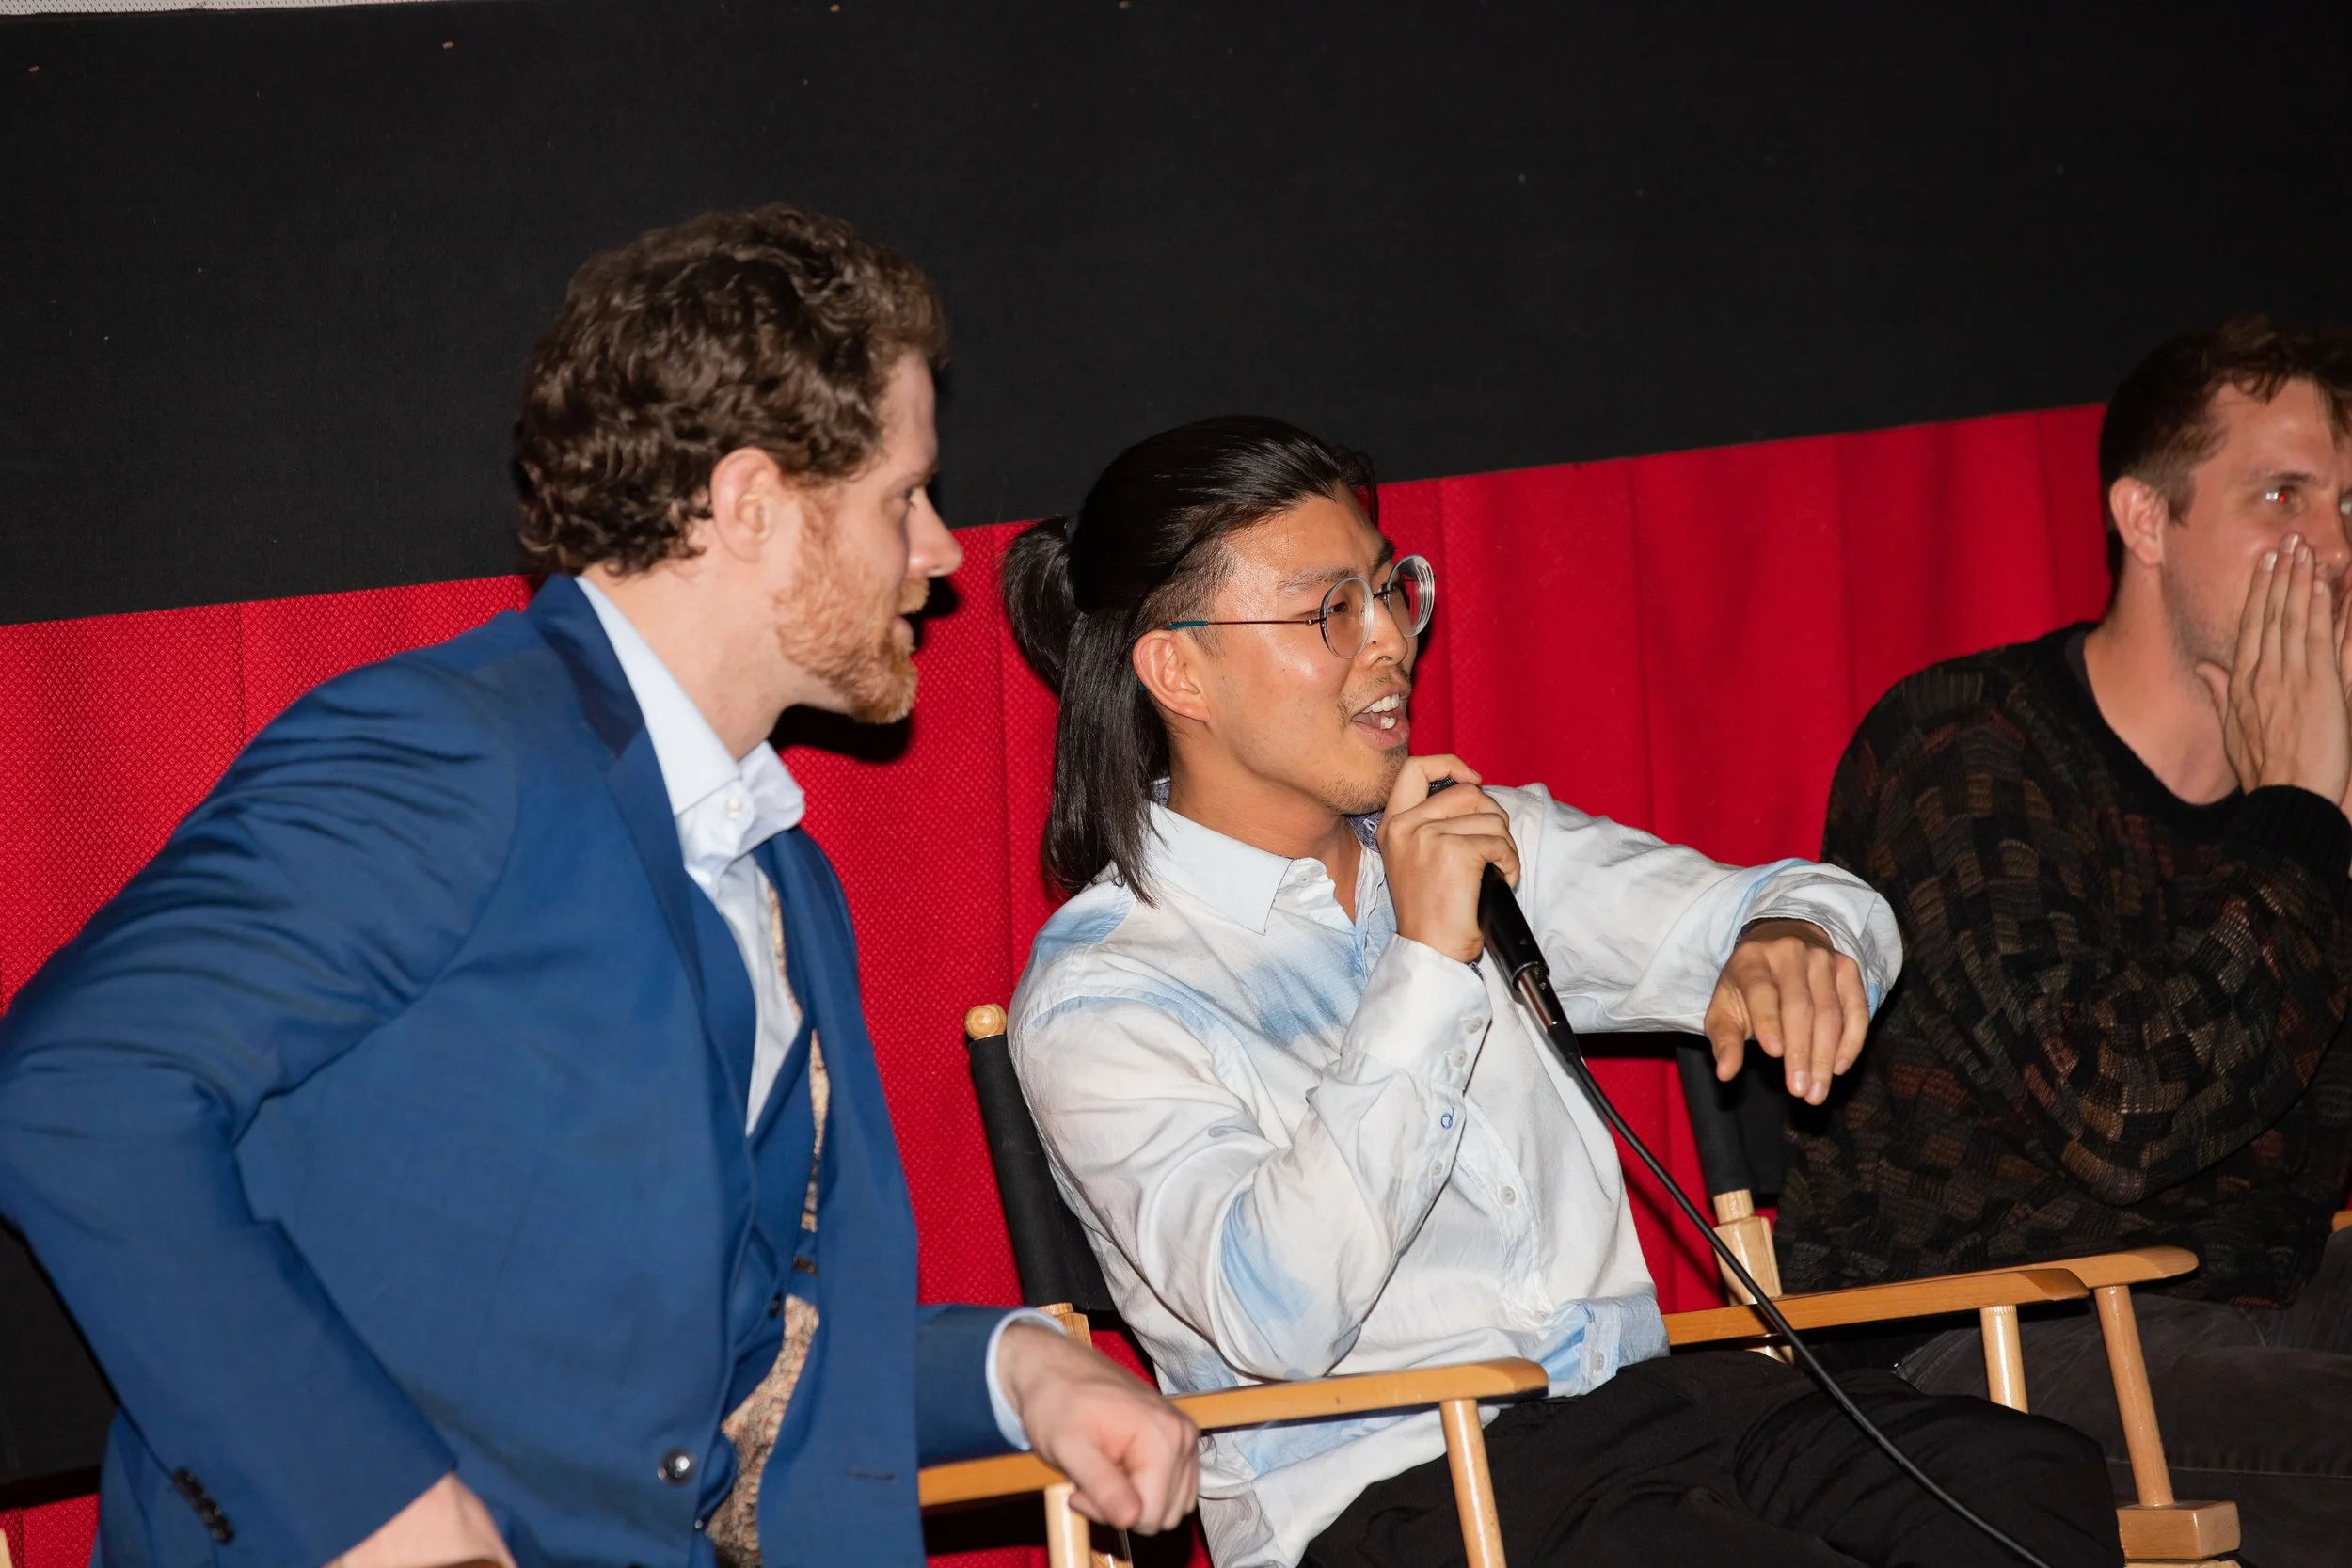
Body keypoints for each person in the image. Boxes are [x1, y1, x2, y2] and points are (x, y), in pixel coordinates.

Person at [0, 206, 1197, 1568]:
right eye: (900, 497)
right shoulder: (454, 751)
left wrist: (1016, 1371)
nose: (942, 551)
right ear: (752, 506)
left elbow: (721, 1369)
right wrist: (367, 1503)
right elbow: (78, 1090)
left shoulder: (781, 873)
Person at [996, 415, 2122, 1568]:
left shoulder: (1477, 836)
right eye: (1330, 608)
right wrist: (1425, 964)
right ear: (1178, 669)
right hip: (1394, 1496)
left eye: (1388, 588)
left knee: (2026, 1477)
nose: (1389, 639)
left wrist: (1793, 935)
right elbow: (1276, 1313)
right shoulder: (1108, 992)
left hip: (1650, 1412)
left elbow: (1811, 899)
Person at [1775, 318, 2352, 1562]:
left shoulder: (2317, 791)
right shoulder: (1965, 747)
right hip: (1983, 1347)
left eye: (2350, 505)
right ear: (2146, 520)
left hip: (2257, 1295)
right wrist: (2304, 826)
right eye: (2283, 497)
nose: (2336, 547)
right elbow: (2122, 1115)